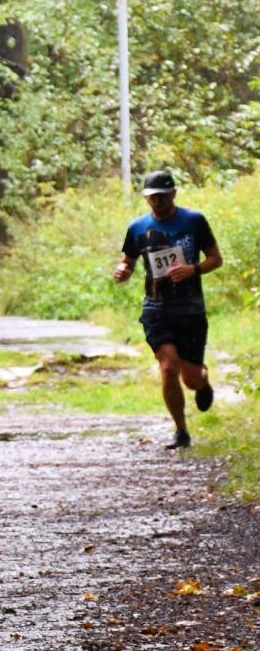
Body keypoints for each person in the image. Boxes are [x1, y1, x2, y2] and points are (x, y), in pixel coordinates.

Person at [114, 169, 221, 449]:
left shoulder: (194, 221)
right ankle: (181, 431)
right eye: (153, 197)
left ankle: (203, 381)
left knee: (191, 378)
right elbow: (128, 260)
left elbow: (215, 258)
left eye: (163, 196)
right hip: (156, 308)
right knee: (168, 366)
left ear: (173, 193)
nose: (158, 202)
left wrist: (192, 269)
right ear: (146, 198)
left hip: (190, 309)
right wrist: (123, 270)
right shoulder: (137, 227)